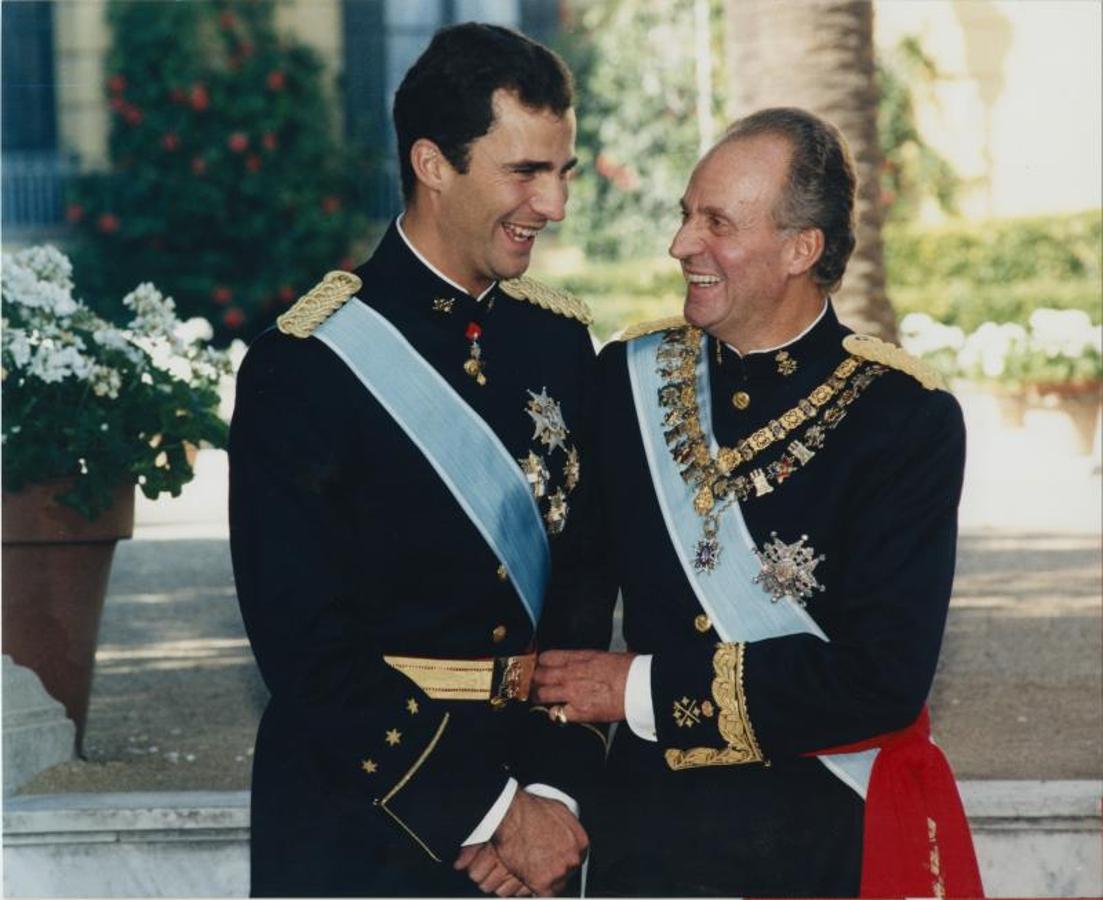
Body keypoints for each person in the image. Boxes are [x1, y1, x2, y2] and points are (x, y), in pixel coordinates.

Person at [533, 107, 984, 898]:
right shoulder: (625, 381)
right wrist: (550, 789)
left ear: (800, 249)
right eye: (684, 215)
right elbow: (569, 617)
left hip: (816, 839)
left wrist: (637, 688)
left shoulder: (902, 418)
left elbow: (882, 678)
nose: (680, 245)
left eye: (716, 223)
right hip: (650, 841)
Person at [230, 23, 612, 897]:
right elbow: (304, 645)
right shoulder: (305, 364)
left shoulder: (558, 343)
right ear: (433, 164)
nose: (553, 206)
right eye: (524, 173)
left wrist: (548, 796)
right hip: (361, 817)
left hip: (536, 812)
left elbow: (586, 597)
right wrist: (489, 813)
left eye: (562, 173)